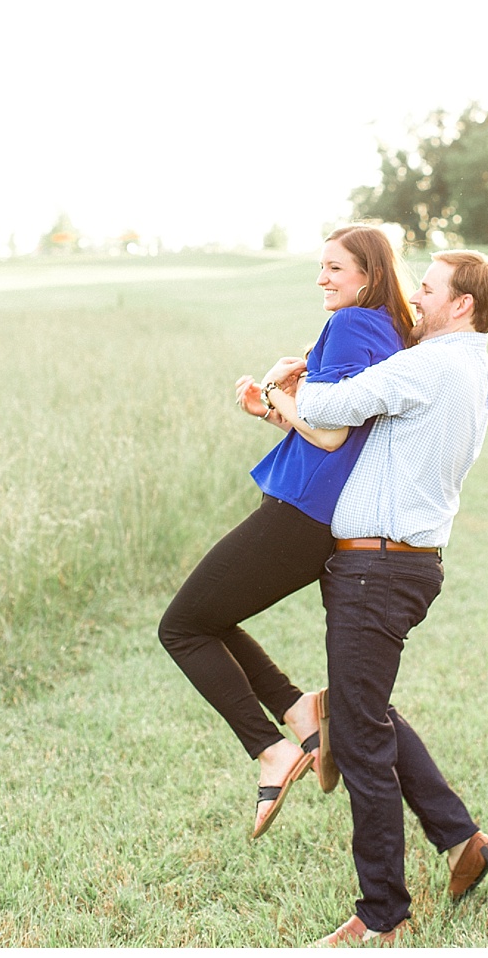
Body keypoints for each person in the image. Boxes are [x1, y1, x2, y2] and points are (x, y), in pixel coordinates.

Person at [262, 249, 488, 945]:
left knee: (361, 737)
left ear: (460, 304)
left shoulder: (429, 364)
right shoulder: (472, 367)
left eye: (426, 290)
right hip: (400, 567)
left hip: (378, 572)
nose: (414, 299)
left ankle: (383, 914)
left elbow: (338, 404)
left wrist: (283, 388)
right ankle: (463, 842)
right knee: (368, 713)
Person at [158, 225, 414, 838]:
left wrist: (276, 385)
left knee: (182, 627)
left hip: (300, 513)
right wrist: (273, 410)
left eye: (335, 268)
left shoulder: (352, 326)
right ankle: (302, 713)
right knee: (209, 620)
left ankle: (274, 750)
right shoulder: (387, 329)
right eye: (320, 267)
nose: (322, 279)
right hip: (315, 510)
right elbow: (336, 440)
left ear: (369, 273)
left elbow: (328, 435)